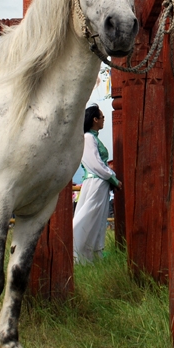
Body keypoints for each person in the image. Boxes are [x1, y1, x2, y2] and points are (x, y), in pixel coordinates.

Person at [72, 105, 119, 264]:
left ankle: (93, 256)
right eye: (102, 116)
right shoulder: (88, 138)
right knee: (87, 217)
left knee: (98, 220)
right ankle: (76, 253)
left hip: (100, 183)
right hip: (96, 182)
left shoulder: (93, 137)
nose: (104, 119)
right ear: (95, 119)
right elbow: (96, 164)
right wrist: (113, 178)